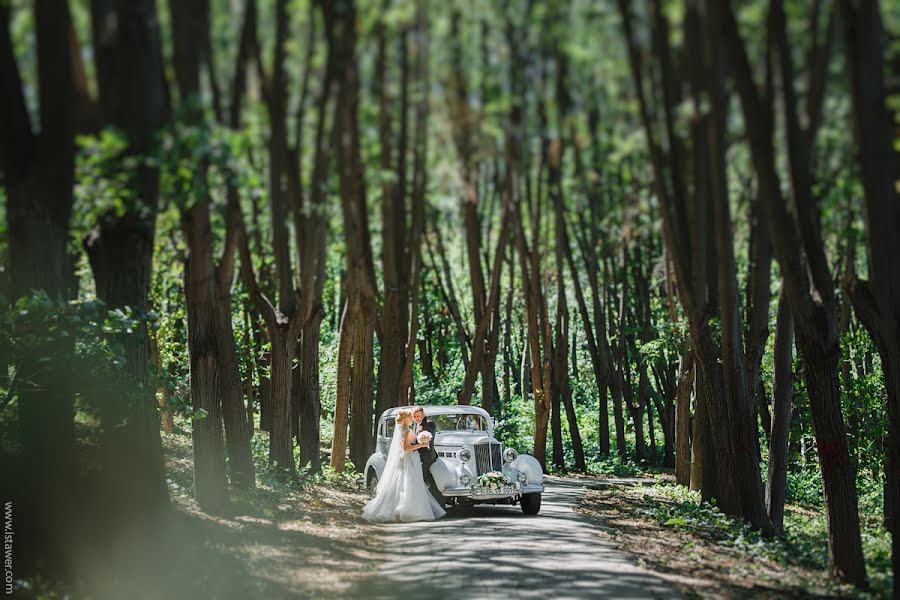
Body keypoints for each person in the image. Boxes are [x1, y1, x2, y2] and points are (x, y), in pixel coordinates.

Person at [361, 409, 446, 523]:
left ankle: (401, 510)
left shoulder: (402, 430)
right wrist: (421, 445)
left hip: (406, 459)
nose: (412, 419)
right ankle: (409, 511)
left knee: (402, 483)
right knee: (409, 483)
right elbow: (406, 448)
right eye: (411, 417)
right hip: (408, 459)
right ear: (406, 419)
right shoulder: (407, 431)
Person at [412, 406, 440, 500]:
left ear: (423, 414)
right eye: (415, 416)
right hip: (418, 456)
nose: (416, 418)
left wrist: (420, 437)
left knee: (424, 478)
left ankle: (427, 499)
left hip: (427, 456)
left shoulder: (429, 424)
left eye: (418, 416)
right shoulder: (415, 425)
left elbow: (429, 439)